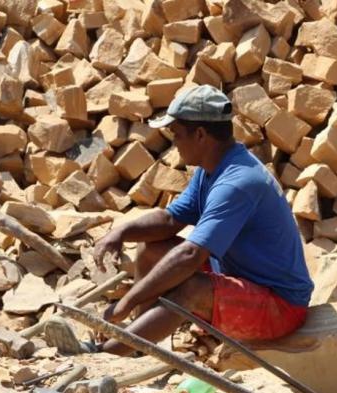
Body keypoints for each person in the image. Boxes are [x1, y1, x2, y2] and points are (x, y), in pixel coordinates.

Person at [43, 85, 314, 356]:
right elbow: (171, 219)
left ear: (200, 135)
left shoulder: (238, 182)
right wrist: (121, 232)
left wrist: (126, 302)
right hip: (239, 276)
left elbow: (191, 254)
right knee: (151, 250)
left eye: (177, 134)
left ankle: (102, 352)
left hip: (280, 307)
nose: (174, 143)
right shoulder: (213, 168)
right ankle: (140, 340)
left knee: (190, 288)